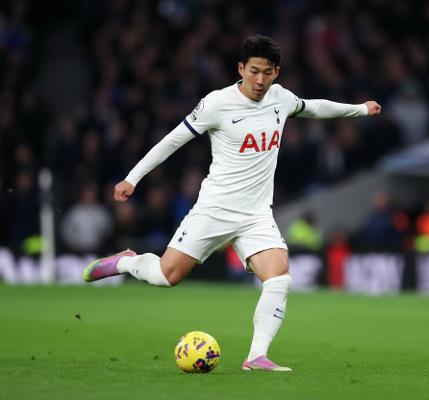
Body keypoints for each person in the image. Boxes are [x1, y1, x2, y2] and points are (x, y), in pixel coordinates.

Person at [82, 34, 381, 372]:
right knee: (167, 276)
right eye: (253, 71)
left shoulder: (281, 99)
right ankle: (126, 262)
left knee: (279, 277)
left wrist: (359, 109)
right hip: (215, 209)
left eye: (267, 72)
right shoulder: (217, 103)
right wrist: (132, 178)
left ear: (276, 72)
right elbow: (172, 141)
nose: (260, 80)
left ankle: (256, 356)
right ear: (240, 69)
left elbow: (314, 107)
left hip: (256, 215)